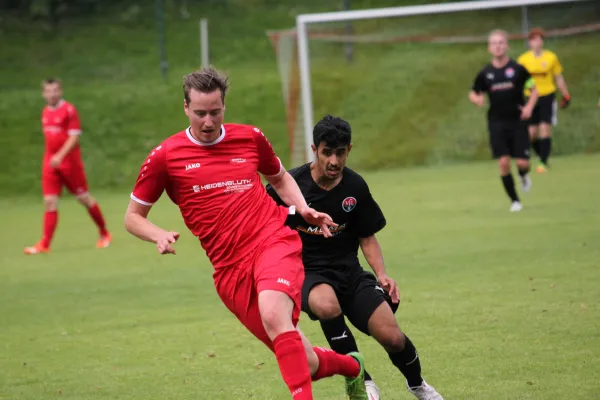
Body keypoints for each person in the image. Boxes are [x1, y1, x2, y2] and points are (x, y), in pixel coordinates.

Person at [124, 67, 370, 400]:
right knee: (304, 360)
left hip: (272, 239)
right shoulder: (166, 156)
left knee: (273, 312)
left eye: (215, 112)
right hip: (229, 269)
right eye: (200, 114)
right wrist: (157, 235)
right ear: (186, 108)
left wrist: (303, 208)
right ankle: (352, 368)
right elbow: (133, 217)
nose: (208, 122)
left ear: (224, 106)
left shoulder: (249, 137)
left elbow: (280, 177)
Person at [266, 115, 444, 400]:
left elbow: (367, 236)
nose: (334, 161)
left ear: (349, 150)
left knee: (392, 337)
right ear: (315, 150)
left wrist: (382, 274)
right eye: (327, 153)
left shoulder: (355, 187)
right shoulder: (290, 185)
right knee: (326, 305)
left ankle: (418, 385)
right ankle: (363, 379)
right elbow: (260, 220)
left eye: (340, 153)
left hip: (349, 272)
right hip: (307, 273)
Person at [24, 78, 111, 254]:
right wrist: (53, 158)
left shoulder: (69, 110)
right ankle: (45, 244)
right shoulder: (45, 112)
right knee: (50, 202)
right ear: (43, 93)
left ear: (60, 91)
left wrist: (60, 156)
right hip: (50, 163)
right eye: (48, 91)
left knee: (84, 199)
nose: (52, 94)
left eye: (55, 90)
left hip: (70, 164)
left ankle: (104, 233)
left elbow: (74, 137)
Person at [469, 30, 539, 212]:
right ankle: (515, 201)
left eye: (501, 43)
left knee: (523, 162)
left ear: (507, 46)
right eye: (494, 43)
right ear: (489, 48)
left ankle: (523, 175)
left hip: (517, 121)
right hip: (497, 123)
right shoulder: (486, 73)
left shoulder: (518, 69)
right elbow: (473, 92)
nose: (498, 46)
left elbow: (534, 90)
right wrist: (477, 99)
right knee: (503, 162)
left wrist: (529, 107)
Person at [518, 27, 571, 173]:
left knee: (545, 129)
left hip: (547, 96)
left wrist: (566, 94)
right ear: (529, 42)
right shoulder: (523, 60)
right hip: (530, 99)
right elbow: (518, 81)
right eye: (534, 39)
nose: (537, 42)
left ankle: (543, 162)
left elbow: (558, 77)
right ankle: (542, 155)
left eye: (539, 39)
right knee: (531, 133)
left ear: (542, 41)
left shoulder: (551, 57)